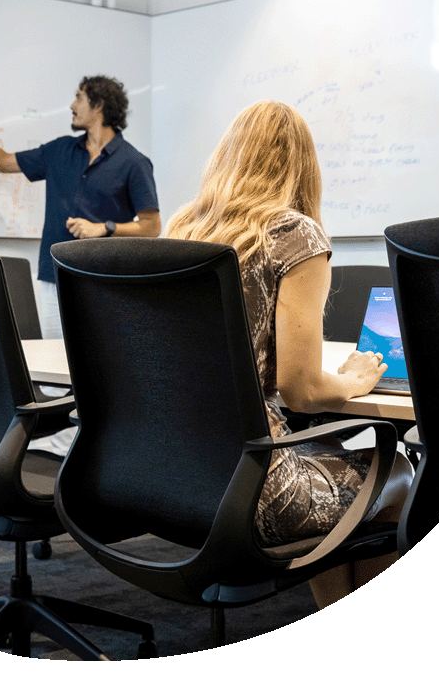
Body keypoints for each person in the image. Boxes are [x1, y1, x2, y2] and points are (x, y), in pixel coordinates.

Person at [164, 100, 413, 608]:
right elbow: (301, 392)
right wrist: (353, 379)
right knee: (398, 472)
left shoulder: (183, 228)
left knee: (343, 471)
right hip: (254, 484)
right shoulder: (293, 234)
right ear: (305, 166)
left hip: (172, 471)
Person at [0, 75, 161, 338]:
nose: (72, 106)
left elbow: (151, 227)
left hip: (105, 281)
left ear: (98, 106)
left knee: (99, 368)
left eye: (79, 97)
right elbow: (1, 162)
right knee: (53, 370)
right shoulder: (60, 150)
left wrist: (103, 229)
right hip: (54, 277)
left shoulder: (134, 162)